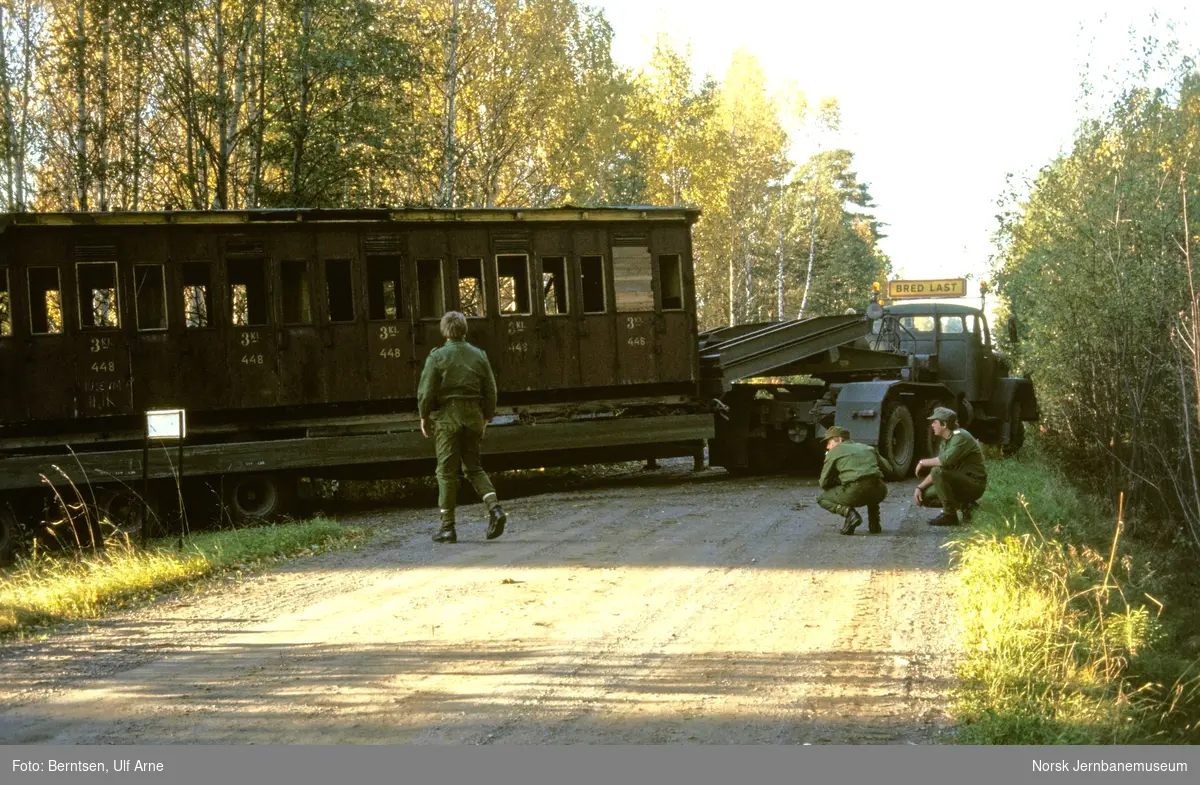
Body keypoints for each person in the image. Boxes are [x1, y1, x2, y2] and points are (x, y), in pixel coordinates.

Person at [417, 311, 507, 543]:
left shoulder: (436, 357)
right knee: (474, 468)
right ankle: (495, 509)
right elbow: (491, 391)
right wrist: (486, 417)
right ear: (464, 329)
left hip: (449, 417)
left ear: (444, 331)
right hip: (474, 417)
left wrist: (424, 416)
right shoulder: (479, 355)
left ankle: (448, 528)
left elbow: (426, 392)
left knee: (446, 472)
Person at [913, 406, 987, 526]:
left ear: (944, 425)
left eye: (934, 422)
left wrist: (922, 462)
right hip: (961, 482)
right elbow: (942, 466)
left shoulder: (960, 437)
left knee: (938, 471)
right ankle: (966, 505)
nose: (932, 425)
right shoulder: (947, 440)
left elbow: (944, 462)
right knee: (925, 498)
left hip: (974, 484)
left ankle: (950, 515)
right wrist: (920, 488)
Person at [816, 425, 892, 535]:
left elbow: (823, 482)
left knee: (822, 498)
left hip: (855, 492)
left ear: (839, 440)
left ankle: (850, 514)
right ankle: (875, 524)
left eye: (829, 442)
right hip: (879, 490)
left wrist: (838, 482)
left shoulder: (834, 452)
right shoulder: (867, 447)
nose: (827, 447)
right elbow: (889, 469)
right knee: (870, 481)